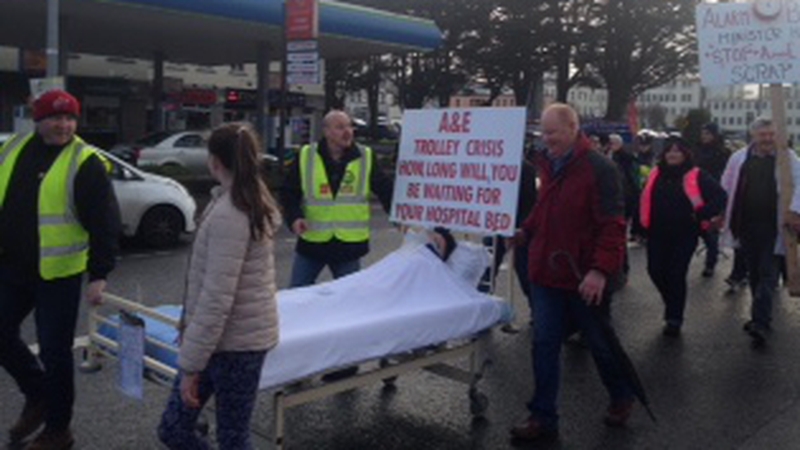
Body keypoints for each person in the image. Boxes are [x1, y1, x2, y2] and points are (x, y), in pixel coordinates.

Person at [0, 89, 120, 449]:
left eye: (69, 118)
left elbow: (106, 222)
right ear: (38, 121)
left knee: (55, 353)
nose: (63, 125)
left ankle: (58, 430)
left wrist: (99, 273)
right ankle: (37, 394)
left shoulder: (85, 162)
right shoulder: (12, 150)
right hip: (12, 266)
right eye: (55, 118)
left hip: (59, 274)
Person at [510, 103, 635, 443]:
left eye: (551, 132)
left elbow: (612, 225)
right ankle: (542, 416)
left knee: (599, 343)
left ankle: (621, 395)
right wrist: (525, 231)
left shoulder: (600, 168)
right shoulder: (549, 164)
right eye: (542, 133)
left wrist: (598, 271)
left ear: (572, 127)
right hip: (546, 272)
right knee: (544, 342)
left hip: (583, 275)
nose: (545, 139)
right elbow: (543, 208)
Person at [158, 123, 282, 449]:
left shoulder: (231, 213)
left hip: (231, 346)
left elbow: (216, 298)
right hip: (236, 342)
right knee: (224, 435)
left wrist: (191, 365)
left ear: (214, 161)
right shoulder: (246, 199)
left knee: (210, 434)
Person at [281, 110, 394, 288]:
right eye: (340, 127)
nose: (348, 131)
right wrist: (295, 217)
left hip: (347, 246)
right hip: (313, 243)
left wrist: (400, 217)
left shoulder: (365, 156)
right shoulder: (306, 155)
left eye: (350, 126)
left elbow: (385, 190)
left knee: (349, 302)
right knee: (296, 294)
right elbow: (289, 192)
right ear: (326, 131)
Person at [720, 117, 800, 346]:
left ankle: (761, 323)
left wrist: (795, 211)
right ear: (753, 135)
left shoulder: (787, 158)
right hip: (745, 224)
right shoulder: (739, 158)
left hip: (773, 227)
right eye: (762, 134)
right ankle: (759, 315)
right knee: (754, 272)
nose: (767, 139)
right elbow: (726, 184)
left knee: (767, 273)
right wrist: (720, 213)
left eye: (771, 134)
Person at [640, 136, 727, 336]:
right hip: (657, 232)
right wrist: (639, 227)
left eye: (677, 150)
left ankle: (674, 317)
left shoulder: (696, 175)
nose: (672, 154)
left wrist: (701, 214)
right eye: (669, 150)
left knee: (676, 274)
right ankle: (672, 302)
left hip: (685, 233)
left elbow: (720, 196)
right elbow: (644, 199)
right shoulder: (656, 173)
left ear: (685, 154)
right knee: (655, 270)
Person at [695, 123, 731, 278]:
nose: (704, 137)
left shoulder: (723, 152)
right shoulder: (697, 150)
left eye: (708, 134)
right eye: (703, 133)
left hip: (714, 192)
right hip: (696, 193)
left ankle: (710, 263)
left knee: (710, 232)